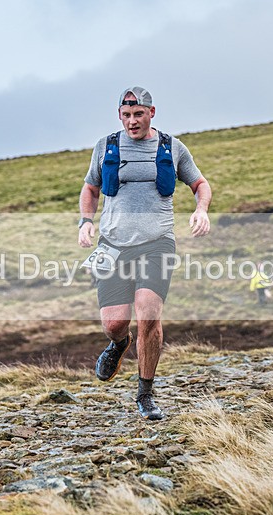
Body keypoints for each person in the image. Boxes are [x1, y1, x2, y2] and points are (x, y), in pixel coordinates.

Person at [78, 86, 212, 420]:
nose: (132, 121)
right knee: (114, 323)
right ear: (119, 116)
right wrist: (85, 221)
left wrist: (202, 209)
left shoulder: (172, 147)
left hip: (157, 242)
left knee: (149, 314)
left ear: (152, 113)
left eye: (139, 114)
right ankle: (119, 344)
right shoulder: (105, 146)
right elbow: (91, 188)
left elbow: (200, 184)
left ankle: (146, 393)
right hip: (113, 244)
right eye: (126, 115)